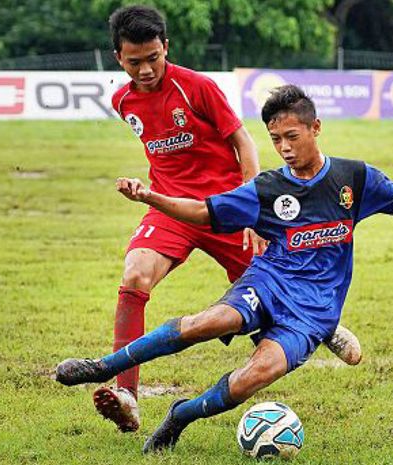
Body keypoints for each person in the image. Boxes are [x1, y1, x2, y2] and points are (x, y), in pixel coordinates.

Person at [57, 84, 393, 452]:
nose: (285, 148)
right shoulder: (268, 188)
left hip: (314, 312)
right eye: (276, 140)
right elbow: (203, 211)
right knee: (213, 320)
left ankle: (181, 415)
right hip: (269, 282)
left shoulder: (355, 178)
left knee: (258, 374)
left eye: (292, 136)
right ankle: (104, 367)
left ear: (316, 129)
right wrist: (151, 197)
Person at [89, 5, 362, 433]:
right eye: (133, 61)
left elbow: (243, 141)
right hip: (174, 210)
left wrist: (255, 209)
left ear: (166, 47)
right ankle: (126, 394)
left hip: (227, 208)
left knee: (272, 289)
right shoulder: (122, 101)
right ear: (117, 58)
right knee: (135, 276)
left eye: (153, 58)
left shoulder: (197, 87)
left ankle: (323, 325)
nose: (145, 70)